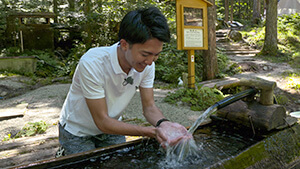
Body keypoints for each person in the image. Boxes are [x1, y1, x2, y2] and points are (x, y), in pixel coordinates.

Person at [56, 6, 192, 157]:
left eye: (156, 55)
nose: (150, 61)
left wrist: (164, 124)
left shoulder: (147, 65)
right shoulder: (93, 62)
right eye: (145, 54)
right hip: (78, 130)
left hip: (113, 126)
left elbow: (149, 107)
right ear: (125, 44)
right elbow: (101, 121)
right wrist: (153, 132)